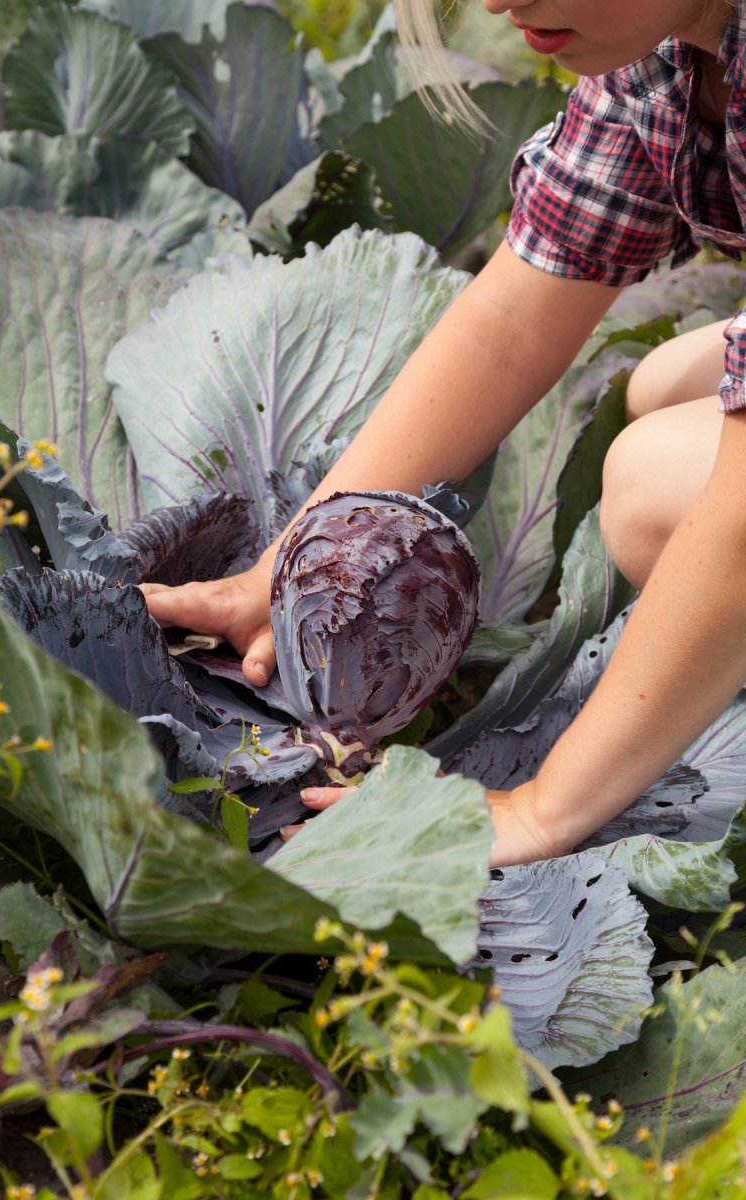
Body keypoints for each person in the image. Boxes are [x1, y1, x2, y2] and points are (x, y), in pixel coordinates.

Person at [143, 0, 746, 866]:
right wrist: (281, 572)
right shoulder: (668, 52)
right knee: (664, 390)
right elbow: (511, 321)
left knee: (654, 494)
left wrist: (545, 807)